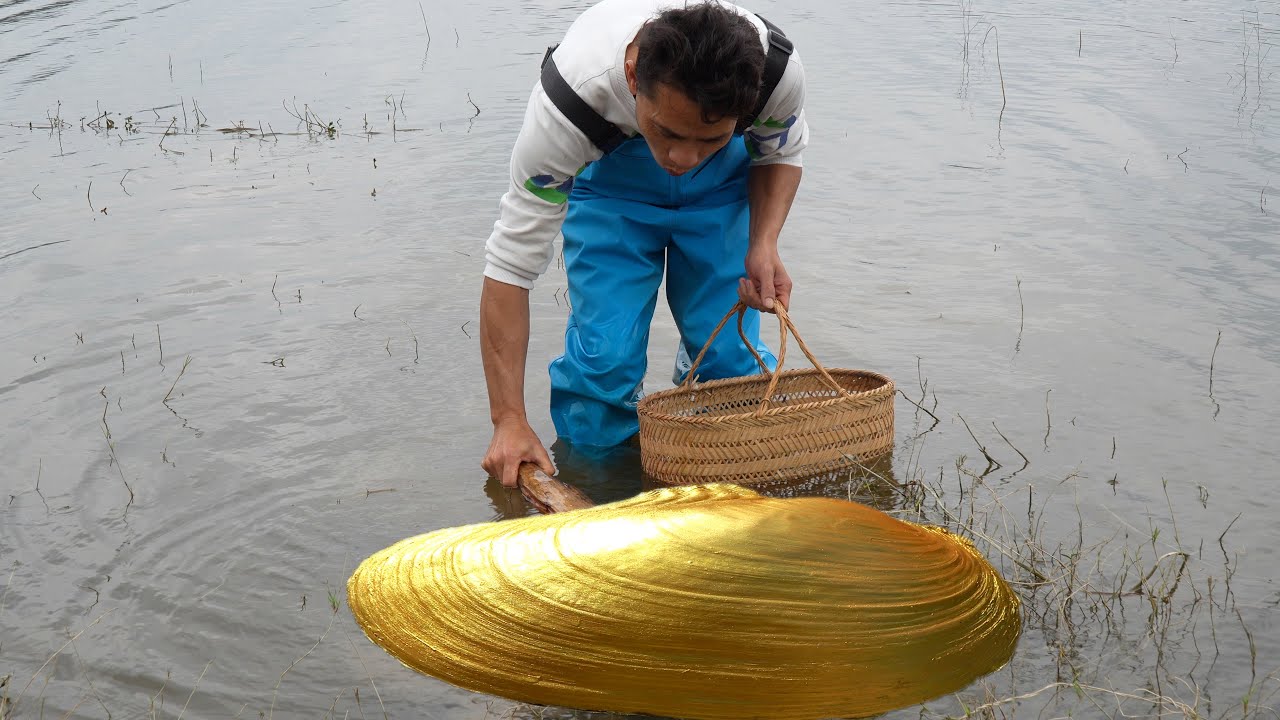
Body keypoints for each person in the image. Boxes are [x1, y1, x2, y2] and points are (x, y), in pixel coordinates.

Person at [480, 0, 809, 488]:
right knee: (604, 365)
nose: (682, 158)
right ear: (633, 76)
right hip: (612, 191)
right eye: (668, 131)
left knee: (729, 365)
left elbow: (781, 151)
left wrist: (763, 244)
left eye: (708, 139)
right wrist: (507, 419)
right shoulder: (571, 102)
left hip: (721, 191)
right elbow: (510, 265)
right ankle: (598, 487)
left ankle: (722, 485)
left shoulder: (776, 74)